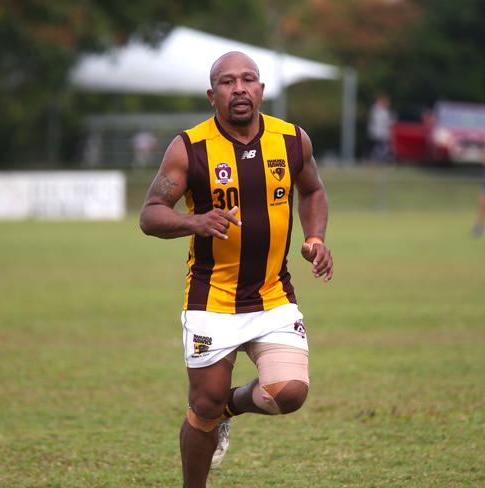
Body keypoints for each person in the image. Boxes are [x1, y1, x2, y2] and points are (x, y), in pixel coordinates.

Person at [140, 51, 333, 487]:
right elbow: (150, 214)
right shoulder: (188, 147)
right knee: (203, 407)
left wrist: (315, 238)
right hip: (213, 296)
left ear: (262, 90)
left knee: (290, 393)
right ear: (213, 95)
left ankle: (230, 409)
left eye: (248, 80)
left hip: (273, 293)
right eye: (228, 82)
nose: (240, 88)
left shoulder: (291, 140)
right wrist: (194, 221)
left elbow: (313, 191)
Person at [367, 94, 393, 163]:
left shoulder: (385, 111)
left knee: (382, 147)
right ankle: (377, 159)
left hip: (383, 133)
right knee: (380, 147)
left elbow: (390, 122)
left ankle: (379, 159)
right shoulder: (377, 111)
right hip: (379, 133)